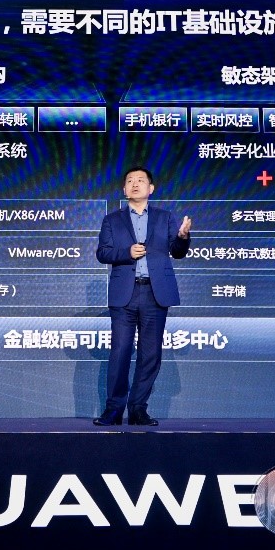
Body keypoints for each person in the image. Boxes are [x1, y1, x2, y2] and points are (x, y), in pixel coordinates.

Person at [93, 166, 191, 426]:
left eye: (140, 180)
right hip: (124, 294)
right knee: (120, 352)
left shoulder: (165, 217)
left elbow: (177, 252)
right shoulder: (112, 220)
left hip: (155, 293)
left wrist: (183, 237)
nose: (135, 184)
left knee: (150, 354)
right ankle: (114, 410)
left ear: (151, 188)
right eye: (130, 181)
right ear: (124, 189)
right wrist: (126, 253)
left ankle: (138, 409)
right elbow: (102, 253)